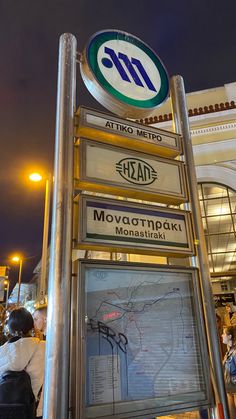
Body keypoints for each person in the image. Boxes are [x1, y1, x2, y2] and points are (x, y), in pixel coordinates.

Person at [0, 307, 45, 418]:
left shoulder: (2, 351)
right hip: (35, 409)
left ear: (10, 329)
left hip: (5, 409)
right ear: (31, 326)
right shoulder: (43, 347)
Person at [222, 325, 236, 418]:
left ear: (230, 336)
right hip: (230, 390)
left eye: (224, 333)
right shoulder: (229, 351)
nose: (222, 335)